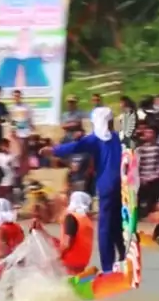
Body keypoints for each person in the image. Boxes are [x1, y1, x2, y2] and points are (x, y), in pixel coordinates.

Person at [43, 106, 125, 273]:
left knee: (104, 228)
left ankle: (108, 268)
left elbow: (75, 147)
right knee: (117, 224)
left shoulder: (95, 139)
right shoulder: (118, 138)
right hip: (123, 186)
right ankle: (124, 257)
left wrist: (53, 150)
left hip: (107, 186)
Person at [36, 191, 94, 275]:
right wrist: (43, 232)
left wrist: (56, 259)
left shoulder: (71, 217)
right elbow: (67, 243)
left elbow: (66, 244)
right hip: (82, 263)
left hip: (70, 263)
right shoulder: (87, 221)